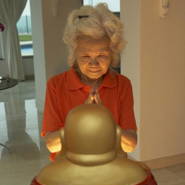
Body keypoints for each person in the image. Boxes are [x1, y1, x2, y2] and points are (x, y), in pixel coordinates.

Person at [41, 3, 137, 159]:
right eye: (85, 56)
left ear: (112, 55)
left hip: (111, 165)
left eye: (102, 56)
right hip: (70, 167)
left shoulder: (122, 84)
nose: (94, 64)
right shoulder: (56, 85)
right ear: (74, 55)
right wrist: (82, 119)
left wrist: (102, 119)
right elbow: (51, 144)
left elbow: (131, 144)